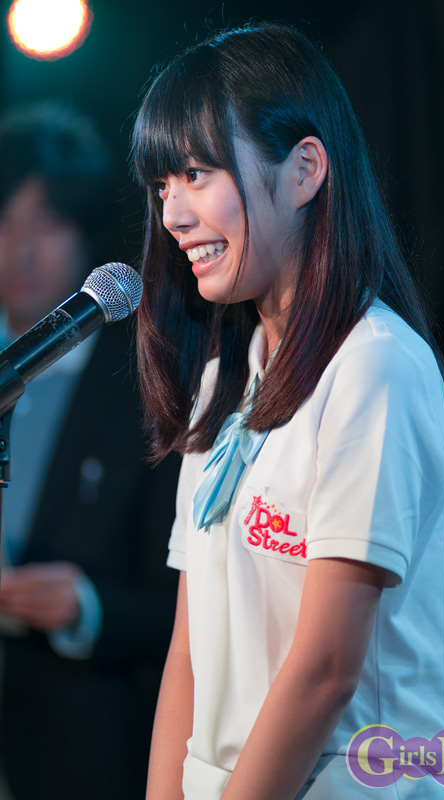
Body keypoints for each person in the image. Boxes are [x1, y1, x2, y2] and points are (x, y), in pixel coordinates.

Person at [131, 22, 444, 800]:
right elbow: (189, 652)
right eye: (161, 185)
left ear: (304, 169)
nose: (172, 214)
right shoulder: (225, 381)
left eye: (195, 172)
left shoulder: (373, 365)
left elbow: (325, 669)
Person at [0, 100, 180, 800]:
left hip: (77, 744)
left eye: (46, 224)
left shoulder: (144, 389)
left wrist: (87, 608)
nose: (21, 249)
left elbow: (184, 606)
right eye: (4, 222)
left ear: (84, 235)